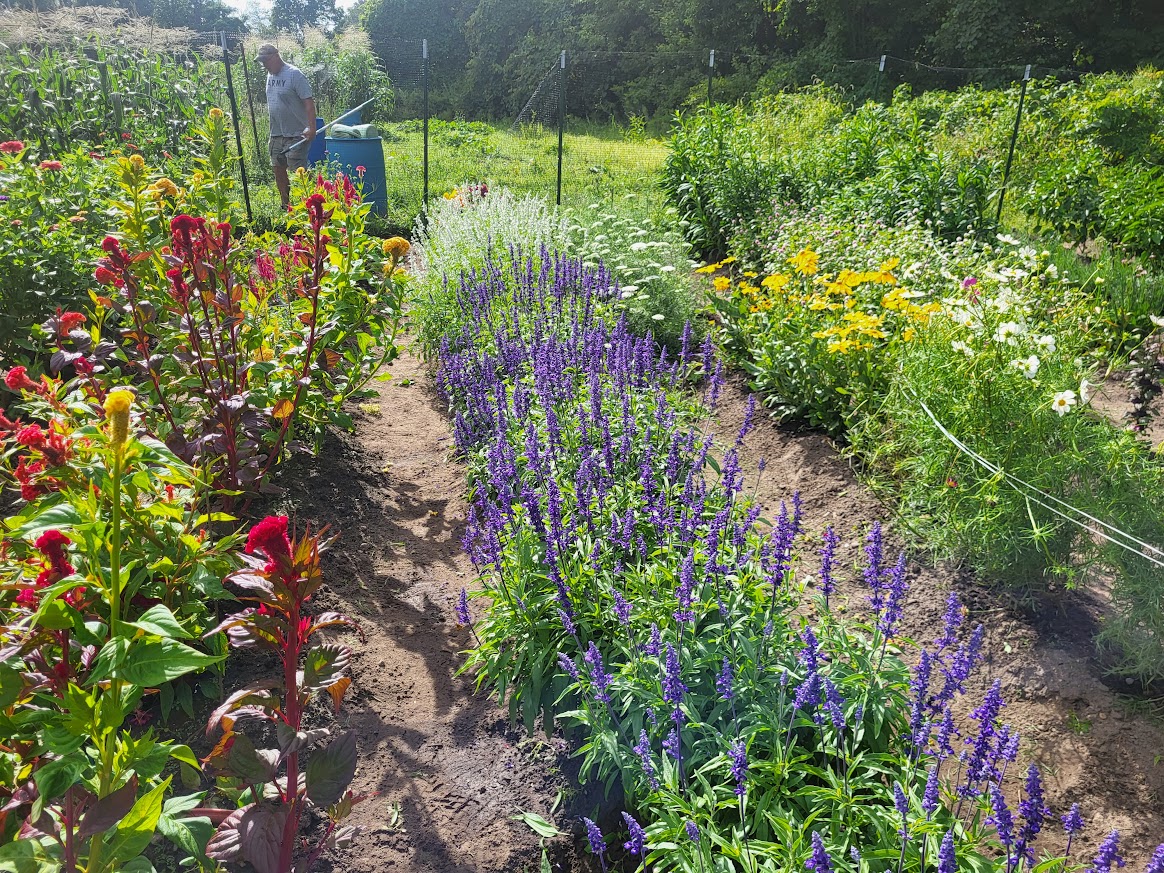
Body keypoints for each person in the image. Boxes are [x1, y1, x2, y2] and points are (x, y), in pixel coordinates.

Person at [255, 44, 316, 209]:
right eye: (262, 62)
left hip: (296, 132)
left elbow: (309, 103)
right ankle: (285, 206)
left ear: (276, 56)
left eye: (266, 61)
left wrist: (312, 127)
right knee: (278, 169)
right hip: (276, 133)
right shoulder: (270, 76)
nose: (264, 65)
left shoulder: (294, 75)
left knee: (299, 171)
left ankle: (314, 204)